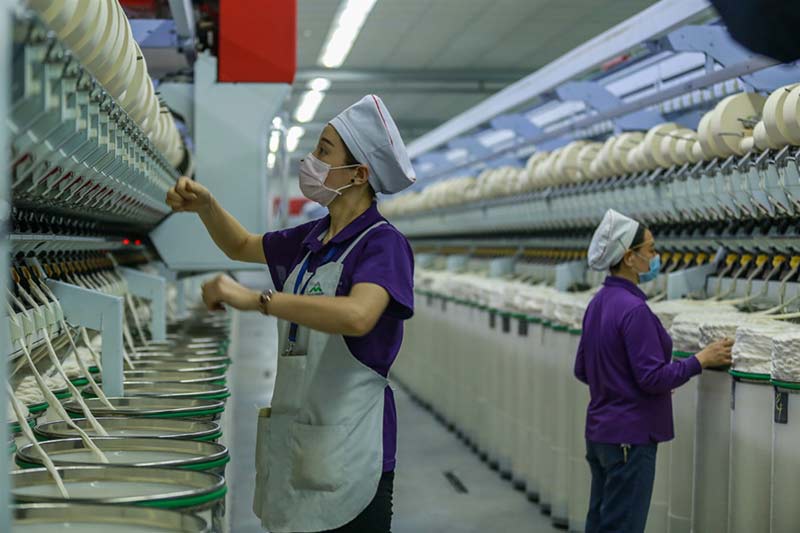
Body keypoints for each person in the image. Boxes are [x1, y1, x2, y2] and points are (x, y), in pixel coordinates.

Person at [166, 95, 416, 533]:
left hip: (354, 447)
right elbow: (241, 245)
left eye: (323, 151)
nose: (311, 160)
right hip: (299, 438)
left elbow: (358, 315)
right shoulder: (314, 236)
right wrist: (207, 206)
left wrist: (259, 300)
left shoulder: (383, 244)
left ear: (358, 175)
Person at [573, 209, 733, 533]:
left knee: (602, 523)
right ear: (629, 258)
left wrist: (619, 380)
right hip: (629, 441)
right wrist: (701, 359)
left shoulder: (598, 303)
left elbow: (583, 370)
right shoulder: (634, 310)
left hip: (601, 435)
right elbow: (651, 379)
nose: (656, 257)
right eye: (651, 249)